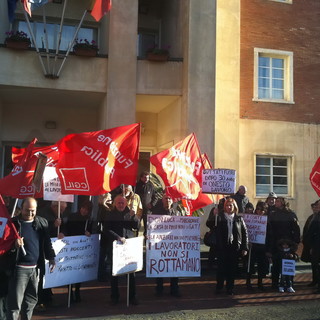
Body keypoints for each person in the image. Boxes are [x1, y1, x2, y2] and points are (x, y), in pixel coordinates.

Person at [6, 197, 56, 320]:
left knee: (31, 301)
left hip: (35, 269)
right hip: (18, 269)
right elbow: (4, 245)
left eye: (33, 210)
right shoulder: (12, 224)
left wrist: (51, 257)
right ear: (21, 209)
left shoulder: (41, 223)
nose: (30, 213)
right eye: (27, 210)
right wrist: (14, 245)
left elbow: (47, 242)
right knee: (15, 303)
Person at [102, 195, 140, 305]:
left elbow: (136, 227)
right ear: (115, 203)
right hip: (116, 246)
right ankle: (114, 297)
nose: (121, 205)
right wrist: (117, 237)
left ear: (126, 204)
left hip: (129, 246)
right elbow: (106, 229)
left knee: (131, 273)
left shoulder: (130, 213)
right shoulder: (110, 214)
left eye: (123, 203)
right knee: (114, 273)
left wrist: (134, 217)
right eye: (119, 203)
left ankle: (132, 296)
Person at [36, 201, 69, 310]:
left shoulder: (59, 214)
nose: (62, 211)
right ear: (54, 206)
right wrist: (53, 226)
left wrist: (62, 232)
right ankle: (40, 300)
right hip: (43, 248)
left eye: (64, 209)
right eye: (61, 209)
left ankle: (48, 297)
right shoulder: (43, 214)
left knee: (49, 273)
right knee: (42, 275)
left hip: (52, 247)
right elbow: (41, 232)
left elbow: (64, 227)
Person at [214, 197, 248, 295]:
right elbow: (213, 227)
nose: (229, 207)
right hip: (222, 247)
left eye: (231, 205)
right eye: (227, 205)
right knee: (221, 269)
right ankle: (219, 287)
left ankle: (230, 288)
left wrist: (244, 247)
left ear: (234, 206)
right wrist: (214, 215)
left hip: (234, 247)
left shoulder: (239, 218)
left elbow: (244, 233)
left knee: (232, 269)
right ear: (224, 207)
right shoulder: (219, 217)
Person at [60, 200, 93, 302]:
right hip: (71, 247)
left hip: (81, 248)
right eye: (83, 208)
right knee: (70, 269)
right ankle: (70, 292)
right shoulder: (72, 216)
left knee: (79, 270)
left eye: (86, 210)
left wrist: (89, 233)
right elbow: (68, 228)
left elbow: (92, 232)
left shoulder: (89, 220)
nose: (84, 211)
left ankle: (77, 291)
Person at [267, 196, 300, 290]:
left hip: (288, 243)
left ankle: (289, 283)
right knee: (276, 264)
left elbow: (296, 229)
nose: (276, 202)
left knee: (289, 263)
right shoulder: (273, 214)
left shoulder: (291, 214)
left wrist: (295, 243)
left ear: (283, 203)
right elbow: (270, 229)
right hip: (276, 243)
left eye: (278, 201)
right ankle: (275, 283)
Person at [151, 194, 181, 297]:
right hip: (161, 244)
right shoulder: (156, 213)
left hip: (173, 244)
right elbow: (152, 227)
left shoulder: (177, 213)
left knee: (174, 267)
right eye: (165, 198)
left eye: (169, 198)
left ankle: (174, 289)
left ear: (172, 201)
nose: (167, 200)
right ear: (162, 200)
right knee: (160, 265)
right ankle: (159, 289)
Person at [246, 201, 271, 291]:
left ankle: (260, 283)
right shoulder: (251, 218)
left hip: (262, 247)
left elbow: (269, 235)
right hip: (252, 246)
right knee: (250, 264)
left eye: (262, 210)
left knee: (261, 266)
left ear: (265, 211)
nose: (259, 211)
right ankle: (248, 282)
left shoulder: (267, 221)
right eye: (258, 209)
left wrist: (268, 249)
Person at [301, 201, 319, 287]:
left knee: (317, 265)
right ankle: (315, 280)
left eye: (317, 206)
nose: (315, 208)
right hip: (312, 245)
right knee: (314, 264)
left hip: (317, 245)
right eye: (314, 207)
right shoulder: (311, 217)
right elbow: (307, 230)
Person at [135, 171, 157, 237]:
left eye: (147, 177)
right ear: (141, 178)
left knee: (147, 227)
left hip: (147, 210)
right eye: (144, 177)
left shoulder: (151, 186)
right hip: (138, 209)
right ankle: (136, 239)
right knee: (136, 226)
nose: (146, 179)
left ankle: (146, 242)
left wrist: (152, 204)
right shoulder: (136, 186)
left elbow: (155, 197)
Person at [305, 200, 320, 294]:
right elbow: (310, 232)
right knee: (316, 266)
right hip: (316, 245)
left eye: (318, 205)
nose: (317, 206)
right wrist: (310, 245)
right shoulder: (316, 217)